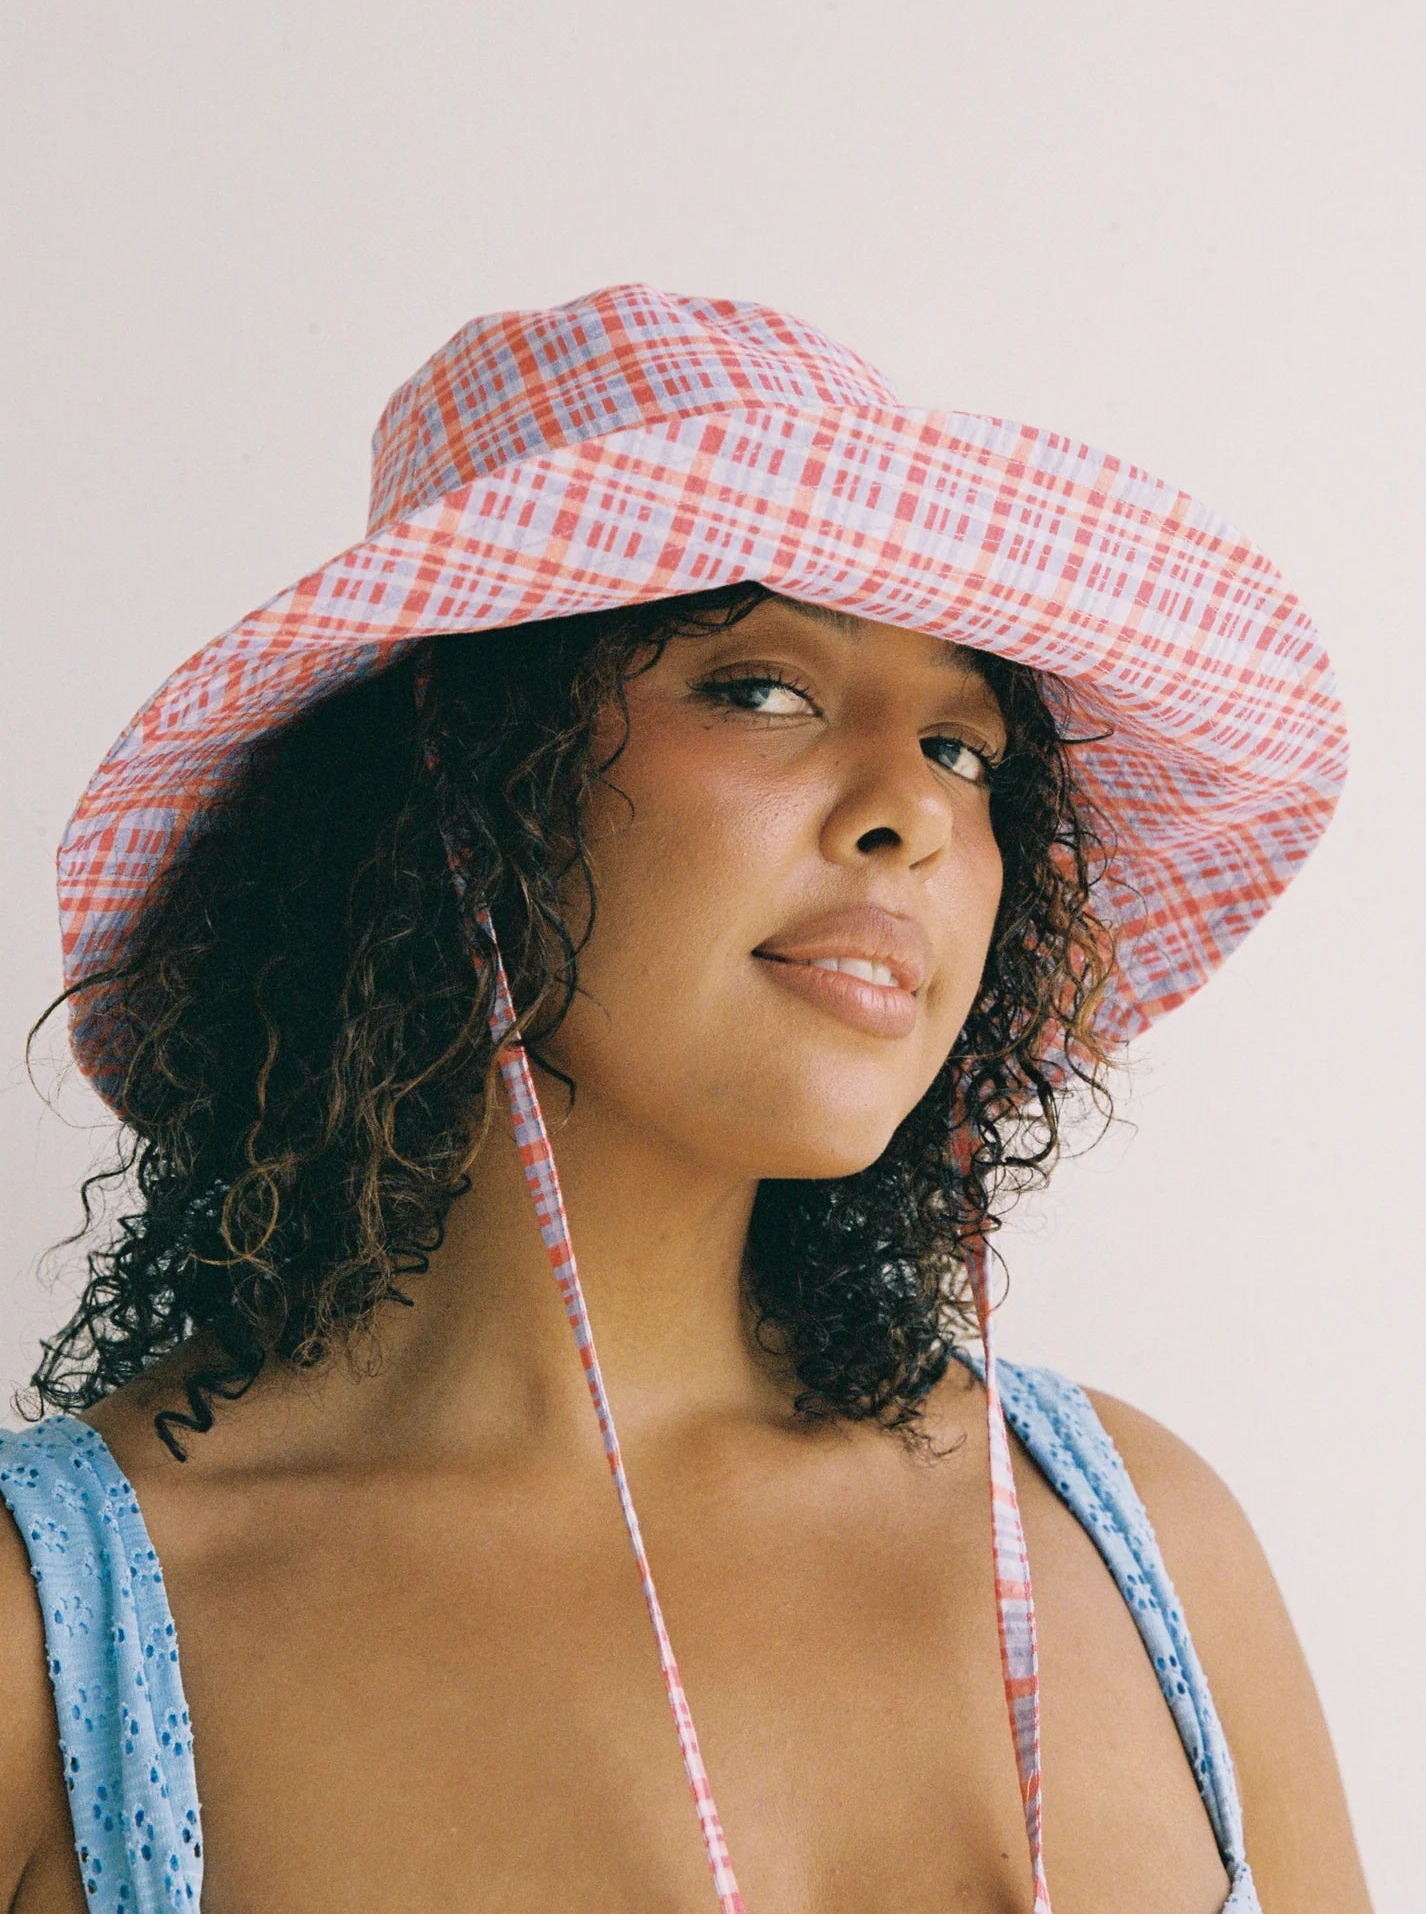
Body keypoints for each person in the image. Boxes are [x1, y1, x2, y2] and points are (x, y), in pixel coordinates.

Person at [0, 285, 1371, 1913]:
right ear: (450, 782)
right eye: (763, 688)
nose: (909, 816)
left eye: (963, 746)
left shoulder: (1136, 1539)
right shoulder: (57, 1634)